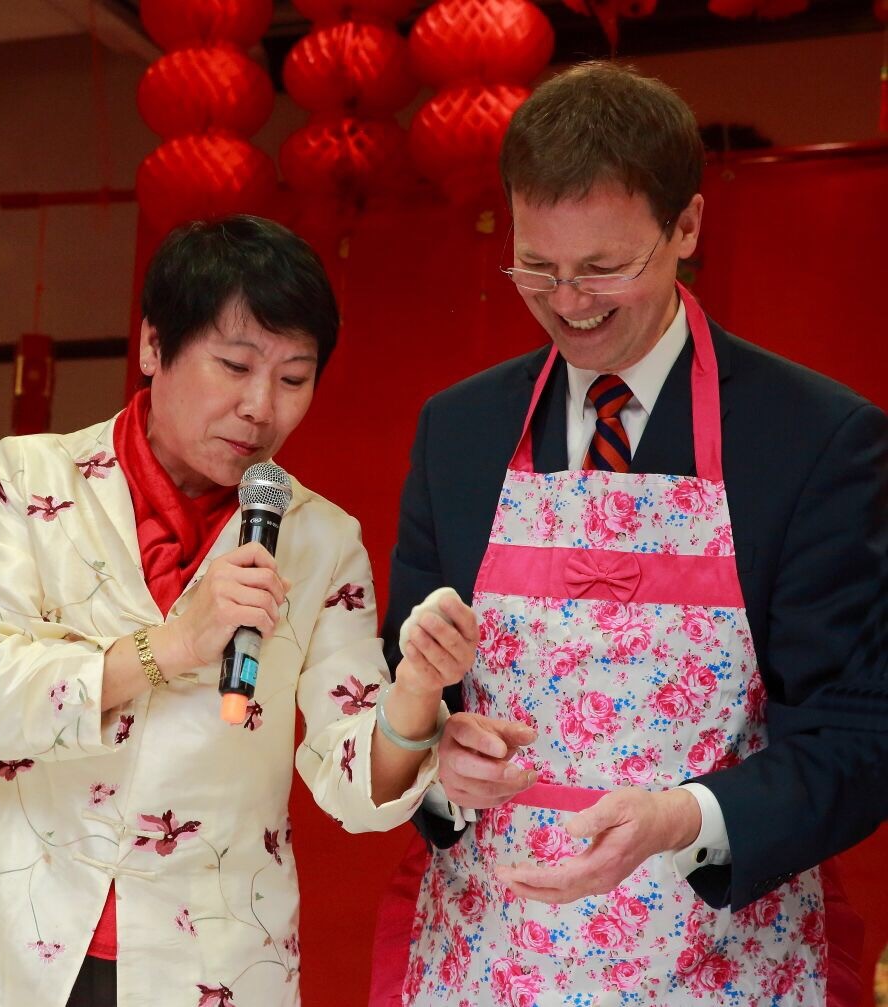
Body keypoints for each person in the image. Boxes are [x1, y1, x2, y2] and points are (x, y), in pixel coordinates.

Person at [374, 62, 887, 1005]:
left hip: (720, 961)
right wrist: (436, 756)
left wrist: (680, 817)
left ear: (686, 226)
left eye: (606, 267)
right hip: (488, 956)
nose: (570, 302)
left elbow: (861, 732)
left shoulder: (813, 439)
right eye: (537, 266)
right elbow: (401, 682)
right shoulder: (461, 431)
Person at [0, 214, 478, 1007]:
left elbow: (353, 784)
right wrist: (170, 644)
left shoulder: (319, 540)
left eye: (293, 378)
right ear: (153, 347)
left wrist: (412, 695)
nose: (260, 408)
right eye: (234, 366)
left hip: (210, 959)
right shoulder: (31, 479)